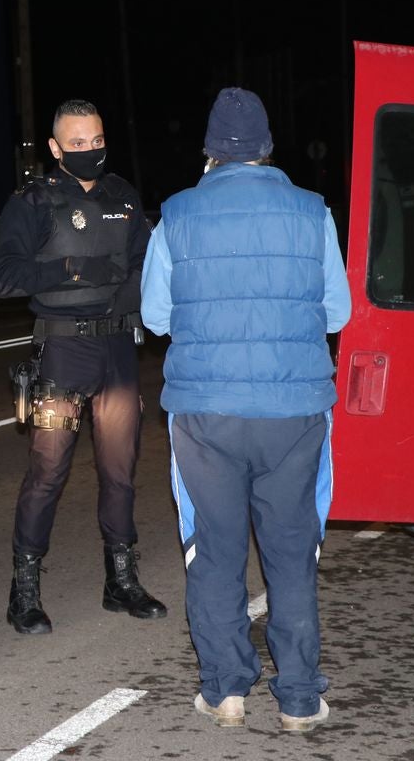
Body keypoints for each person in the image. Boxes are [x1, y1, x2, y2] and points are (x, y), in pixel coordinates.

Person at [140, 87, 351, 730]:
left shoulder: (176, 214)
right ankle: (300, 698)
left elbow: (154, 317)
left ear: (209, 150)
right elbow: (337, 313)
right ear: (267, 148)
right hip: (294, 411)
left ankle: (226, 689)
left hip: (205, 414)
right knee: (291, 552)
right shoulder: (312, 211)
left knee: (214, 549)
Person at [0, 99, 166, 635]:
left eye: (96, 140)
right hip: (64, 353)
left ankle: (121, 582)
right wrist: (73, 268)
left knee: (120, 472)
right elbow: (5, 278)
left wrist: (134, 298)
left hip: (116, 351)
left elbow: (146, 263)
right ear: (54, 148)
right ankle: (24, 592)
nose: (89, 150)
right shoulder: (33, 202)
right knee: (47, 473)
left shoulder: (123, 196)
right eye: (77, 143)